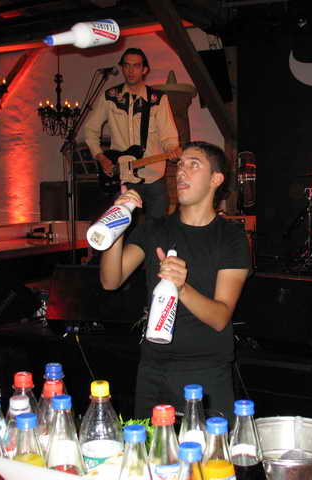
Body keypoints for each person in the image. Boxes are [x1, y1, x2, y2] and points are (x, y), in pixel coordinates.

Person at [99, 141, 251, 422]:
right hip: (152, 371)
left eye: (194, 165)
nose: (181, 171)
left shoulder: (231, 238)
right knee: (149, 450)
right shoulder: (154, 229)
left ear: (216, 179)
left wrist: (182, 287)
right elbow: (110, 280)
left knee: (208, 452)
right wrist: (115, 224)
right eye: (180, 164)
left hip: (206, 373)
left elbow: (220, 317)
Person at [84, 47, 180, 219]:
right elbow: (90, 129)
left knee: (157, 228)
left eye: (136, 66)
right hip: (122, 177)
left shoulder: (158, 99)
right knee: (123, 228)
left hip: (153, 178)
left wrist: (172, 149)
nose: (130, 70)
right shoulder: (110, 97)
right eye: (126, 65)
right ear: (122, 68)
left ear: (145, 70)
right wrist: (101, 157)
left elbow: (169, 136)